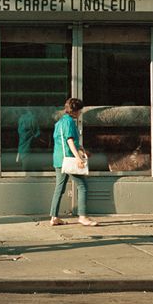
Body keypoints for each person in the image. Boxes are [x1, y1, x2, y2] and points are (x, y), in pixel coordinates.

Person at [49, 97, 98, 227]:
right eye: (80, 111)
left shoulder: (59, 122)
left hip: (59, 160)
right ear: (75, 111)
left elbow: (64, 141)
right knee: (83, 187)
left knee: (59, 189)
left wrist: (83, 149)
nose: (80, 113)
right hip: (69, 160)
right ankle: (82, 216)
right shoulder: (69, 122)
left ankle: (54, 217)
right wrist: (78, 157)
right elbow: (70, 140)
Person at [16, 102, 40, 170]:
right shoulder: (33, 118)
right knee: (29, 167)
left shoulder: (21, 118)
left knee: (25, 167)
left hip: (22, 147)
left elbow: (19, 131)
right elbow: (37, 133)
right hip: (29, 147)